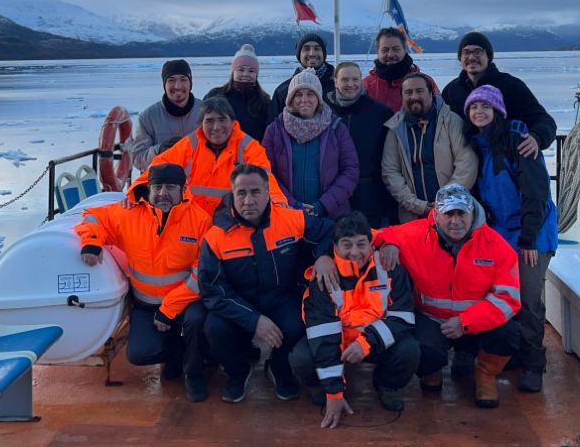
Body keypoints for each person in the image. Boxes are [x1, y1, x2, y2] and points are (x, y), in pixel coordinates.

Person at [197, 163, 337, 404]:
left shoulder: (291, 219)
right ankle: (238, 372)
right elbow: (213, 292)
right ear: (232, 194)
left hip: (280, 297)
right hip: (238, 302)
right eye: (241, 193)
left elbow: (330, 230)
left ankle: (278, 367)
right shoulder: (216, 237)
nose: (248, 200)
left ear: (267, 192)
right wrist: (254, 320)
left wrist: (324, 256)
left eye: (255, 192)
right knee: (214, 328)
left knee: (297, 322)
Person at [74, 163, 212, 402]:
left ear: (183, 190)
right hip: (146, 306)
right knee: (139, 354)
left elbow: (203, 274)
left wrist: (169, 309)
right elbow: (93, 216)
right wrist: (92, 241)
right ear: (148, 189)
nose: (162, 193)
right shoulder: (128, 215)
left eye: (170, 187)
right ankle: (176, 353)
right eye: (157, 187)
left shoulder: (199, 221)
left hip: (186, 303)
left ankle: (195, 374)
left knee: (198, 324)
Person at [375, 183, 521, 408]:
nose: (455, 221)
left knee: (509, 333)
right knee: (420, 350)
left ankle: (485, 374)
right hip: (432, 320)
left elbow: (508, 299)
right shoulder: (415, 234)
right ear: (436, 214)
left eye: (461, 213)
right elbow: (371, 236)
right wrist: (388, 242)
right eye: (448, 214)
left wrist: (465, 322)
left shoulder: (497, 246)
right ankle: (431, 371)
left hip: (475, 322)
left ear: (472, 212)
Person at [464, 85, 558, 394]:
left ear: (498, 112)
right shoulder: (480, 146)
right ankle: (515, 354)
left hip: (531, 236)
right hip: (502, 236)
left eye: (485, 107)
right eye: (473, 108)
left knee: (529, 299)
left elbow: (536, 194)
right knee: (506, 298)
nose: (479, 112)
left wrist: (529, 240)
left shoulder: (519, 143)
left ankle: (534, 363)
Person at [289, 211, 420, 427]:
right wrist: (334, 393)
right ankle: (323, 385)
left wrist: (366, 342)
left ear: (371, 244)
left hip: (374, 342)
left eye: (361, 244)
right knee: (301, 358)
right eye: (346, 245)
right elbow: (323, 336)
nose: (355, 252)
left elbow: (403, 317)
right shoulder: (322, 277)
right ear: (336, 247)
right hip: (336, 343)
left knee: (409, 350)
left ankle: (386, 385)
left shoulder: (388, 267)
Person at [129, 96, 287, 217]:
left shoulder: (249, 148)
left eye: (222, 120)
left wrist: (278, 203)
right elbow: (158, 167)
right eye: (209, 121)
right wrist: (134, 193)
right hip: (192, 225)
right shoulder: (189, 145)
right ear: (201, 123)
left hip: (233, 224)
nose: (216, 127)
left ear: (232, 122)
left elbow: (266, 180)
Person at [441, 32, 557, 158]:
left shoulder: (511, 86)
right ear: (460, 58)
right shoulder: (452, 90)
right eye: (466, 52)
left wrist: (536, 137)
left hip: (503, 166)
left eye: (478, 51)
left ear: (488, 56)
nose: (472, 57)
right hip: (466, 167)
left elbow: (544, 120)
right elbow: (440, 124)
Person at [262, 69, 359, 218]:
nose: (304, 99)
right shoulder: (275, 131)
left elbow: (350, 171)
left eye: (310, 94)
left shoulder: (336, 128)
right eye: (298, 95)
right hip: (287, 215)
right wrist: (292, 204)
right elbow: (267, 173)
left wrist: (322, 205)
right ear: (291, 99)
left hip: (330, 216)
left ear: (318, 98)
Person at [382, 72, 478, 223]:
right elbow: (390, 172)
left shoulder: (451, 121)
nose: (414, 96)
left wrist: (445, 201)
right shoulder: (395, 128)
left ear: (431, 93)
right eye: (408, 92)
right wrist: (417, 205)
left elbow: (466, 164)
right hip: (412, 215)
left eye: (420, 91)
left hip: (453, 213)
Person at [326, 61, 395, 226]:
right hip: (334, 193)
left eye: (355, 79)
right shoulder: (323, 112)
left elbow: (390, 160)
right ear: (335, 81)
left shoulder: (380, 113)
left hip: (371, 196)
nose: (350, 84)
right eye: (344, 80)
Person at [131, 59, 202, 173]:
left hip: (199, 180)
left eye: (183, 80)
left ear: (190, 83)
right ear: (164, 84)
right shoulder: (148, 117)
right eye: (171, 80)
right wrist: (159, 150)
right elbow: (137, 159)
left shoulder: (206, 112)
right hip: (163, 184)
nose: (177, 86)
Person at [205, 43, 271, 141]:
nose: (245, 74)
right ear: (233, 72)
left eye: (251, 71)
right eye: (241, 69)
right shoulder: (216, 96)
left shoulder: (264, 101)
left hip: (254, 154)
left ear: (256, 75)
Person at [363, 27, 438, 112]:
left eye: (396, 49)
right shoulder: (365, 86)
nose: (390, 54)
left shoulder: (426, 82)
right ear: (377, 52)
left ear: (404, 50)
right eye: (385, 50)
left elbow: (441, 115)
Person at [269, 32, 335, 118]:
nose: (312, 53)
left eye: (317, 48)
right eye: (306, 49)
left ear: (323, 54)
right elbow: (273, 125)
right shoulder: (283, 91)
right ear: (299, 55)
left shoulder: (338, 87)